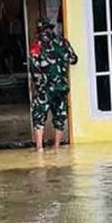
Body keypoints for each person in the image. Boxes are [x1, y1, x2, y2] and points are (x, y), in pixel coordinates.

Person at [28, 17, 77, 150]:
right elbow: (74, 59)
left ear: (39, 30)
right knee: (59, 116)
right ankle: (56, 147)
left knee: (38, 115)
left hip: (45, 88)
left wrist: (38, 85)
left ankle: (39, 148)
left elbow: (33, 68)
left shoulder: (36, 45)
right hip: (61, 87)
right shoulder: (62, 42)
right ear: (50, 28)